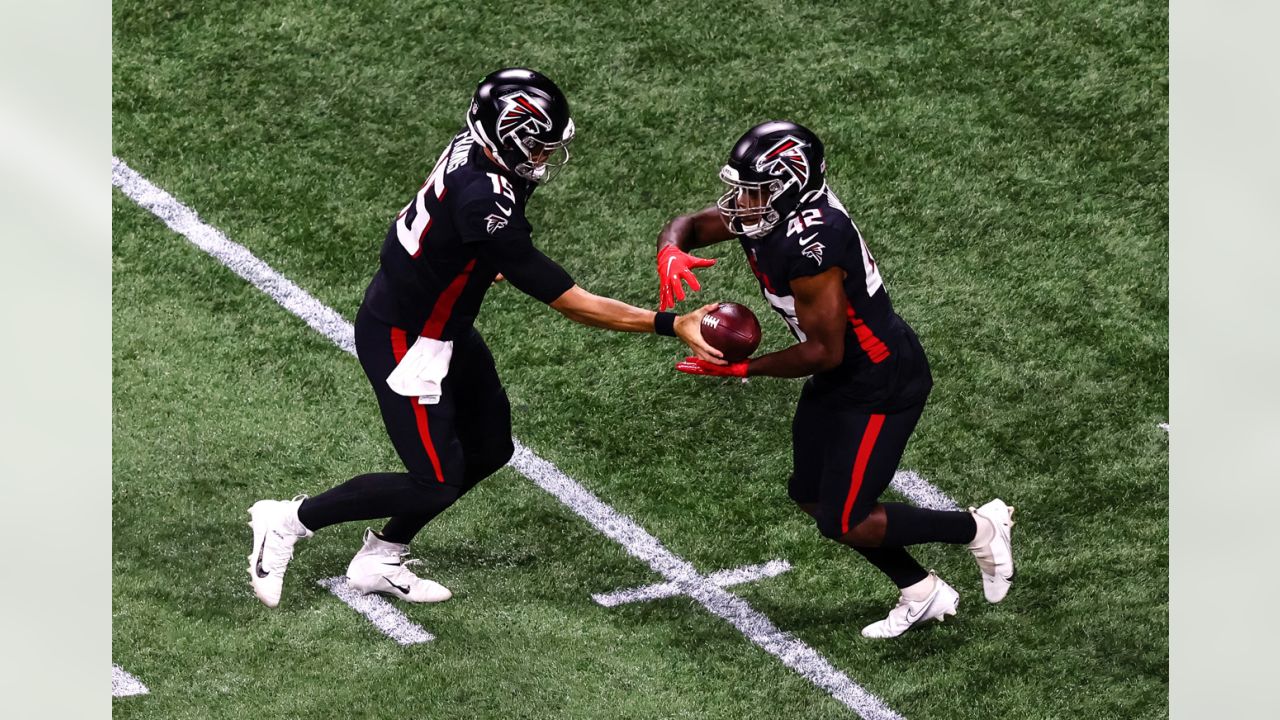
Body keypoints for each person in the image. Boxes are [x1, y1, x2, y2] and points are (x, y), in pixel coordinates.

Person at [247, 68, 722, 608]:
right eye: (537, 147)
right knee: (435, 480)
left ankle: (381, 555)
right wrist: (671, 322)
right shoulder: (485, 200)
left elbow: (447, 221)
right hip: (408, 339)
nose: (543, 159)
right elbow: (573, 302)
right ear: (509, 137)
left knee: (491, 447)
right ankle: (286, 521)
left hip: (443, 324)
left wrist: (466, 257)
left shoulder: (481, 152)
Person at [656, 120, 1015, 638]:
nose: (739, 203)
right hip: (844, 374)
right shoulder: (771, 215)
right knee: (809, 492)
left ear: (790, 187)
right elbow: (689, 223)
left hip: (878, 380)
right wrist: (671, 249)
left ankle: (979, 528)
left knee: (846, 519)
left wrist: (742, 367)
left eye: (754, 192)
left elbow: (824, 351)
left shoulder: (811, 245)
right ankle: (921, 591)